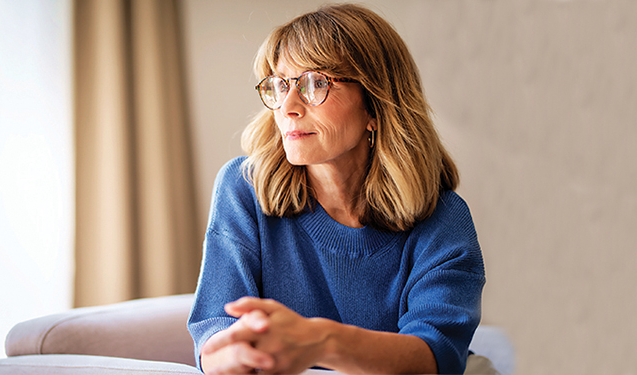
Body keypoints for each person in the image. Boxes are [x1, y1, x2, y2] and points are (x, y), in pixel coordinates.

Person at [187, 4, 485, 374]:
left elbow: (434, 358)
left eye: (315, 83)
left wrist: (321, 342)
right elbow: (214, 338)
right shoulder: (242, 188)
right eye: (280, 84)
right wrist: (237, 356)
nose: (288, 106)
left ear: (375, 107)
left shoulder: (443, 217)